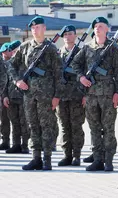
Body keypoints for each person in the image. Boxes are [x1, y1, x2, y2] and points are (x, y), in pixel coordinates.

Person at [8, 16, 63, 170]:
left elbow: (59, 75)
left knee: (47, 126)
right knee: (32, 126)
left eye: (38, 27)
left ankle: (47, 159)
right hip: (29, 95)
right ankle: (35, 158)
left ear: (44, 29)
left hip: (46, 95)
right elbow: (11, 66)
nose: (35, 30)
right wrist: (17, 81)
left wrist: (57, 96)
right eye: (32, 28)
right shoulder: (25, 47)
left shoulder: (51, 49)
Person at [72, 17, 118, 171]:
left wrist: (117, 93)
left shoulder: (113, 48)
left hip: (108, 95)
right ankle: (97, 159)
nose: (97, 28)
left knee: (108, 128)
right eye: (95, 26)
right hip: (91, 95)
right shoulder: (87, 48)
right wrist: (81, 77)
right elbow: (75, 64)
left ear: (107, 29)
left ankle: (108, 160)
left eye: (101, 26)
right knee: (94, 128)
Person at [56, 25, 86, 166]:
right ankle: (67, 155)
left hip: (77, 95)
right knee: (64, 126)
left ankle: (77, 156)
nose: (68, 37)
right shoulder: (57, 53)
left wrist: (85, 95)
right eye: (65, 35)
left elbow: (87, 74)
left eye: (70, 34)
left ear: (75, 35)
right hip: (62, 96)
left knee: (76, 126)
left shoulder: (81, 52)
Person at [1, 41, 30, 154]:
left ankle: (25, 145)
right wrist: (5, 96)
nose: (14, 53)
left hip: (24, 96)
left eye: (16, 51)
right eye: (12, 51)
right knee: (15, 122)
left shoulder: (26, 63)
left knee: (24, 122)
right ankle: (16, 144)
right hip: (11, 96)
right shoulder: (9, 64)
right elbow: (6, 81)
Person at [0, 43, 11, 151]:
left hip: (7, 94)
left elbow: (4, 79)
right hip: (5, 93)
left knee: (6, 118)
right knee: (3, 119)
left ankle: (6, 140)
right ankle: (5, 140)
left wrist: (2, 93)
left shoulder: (11, 62)